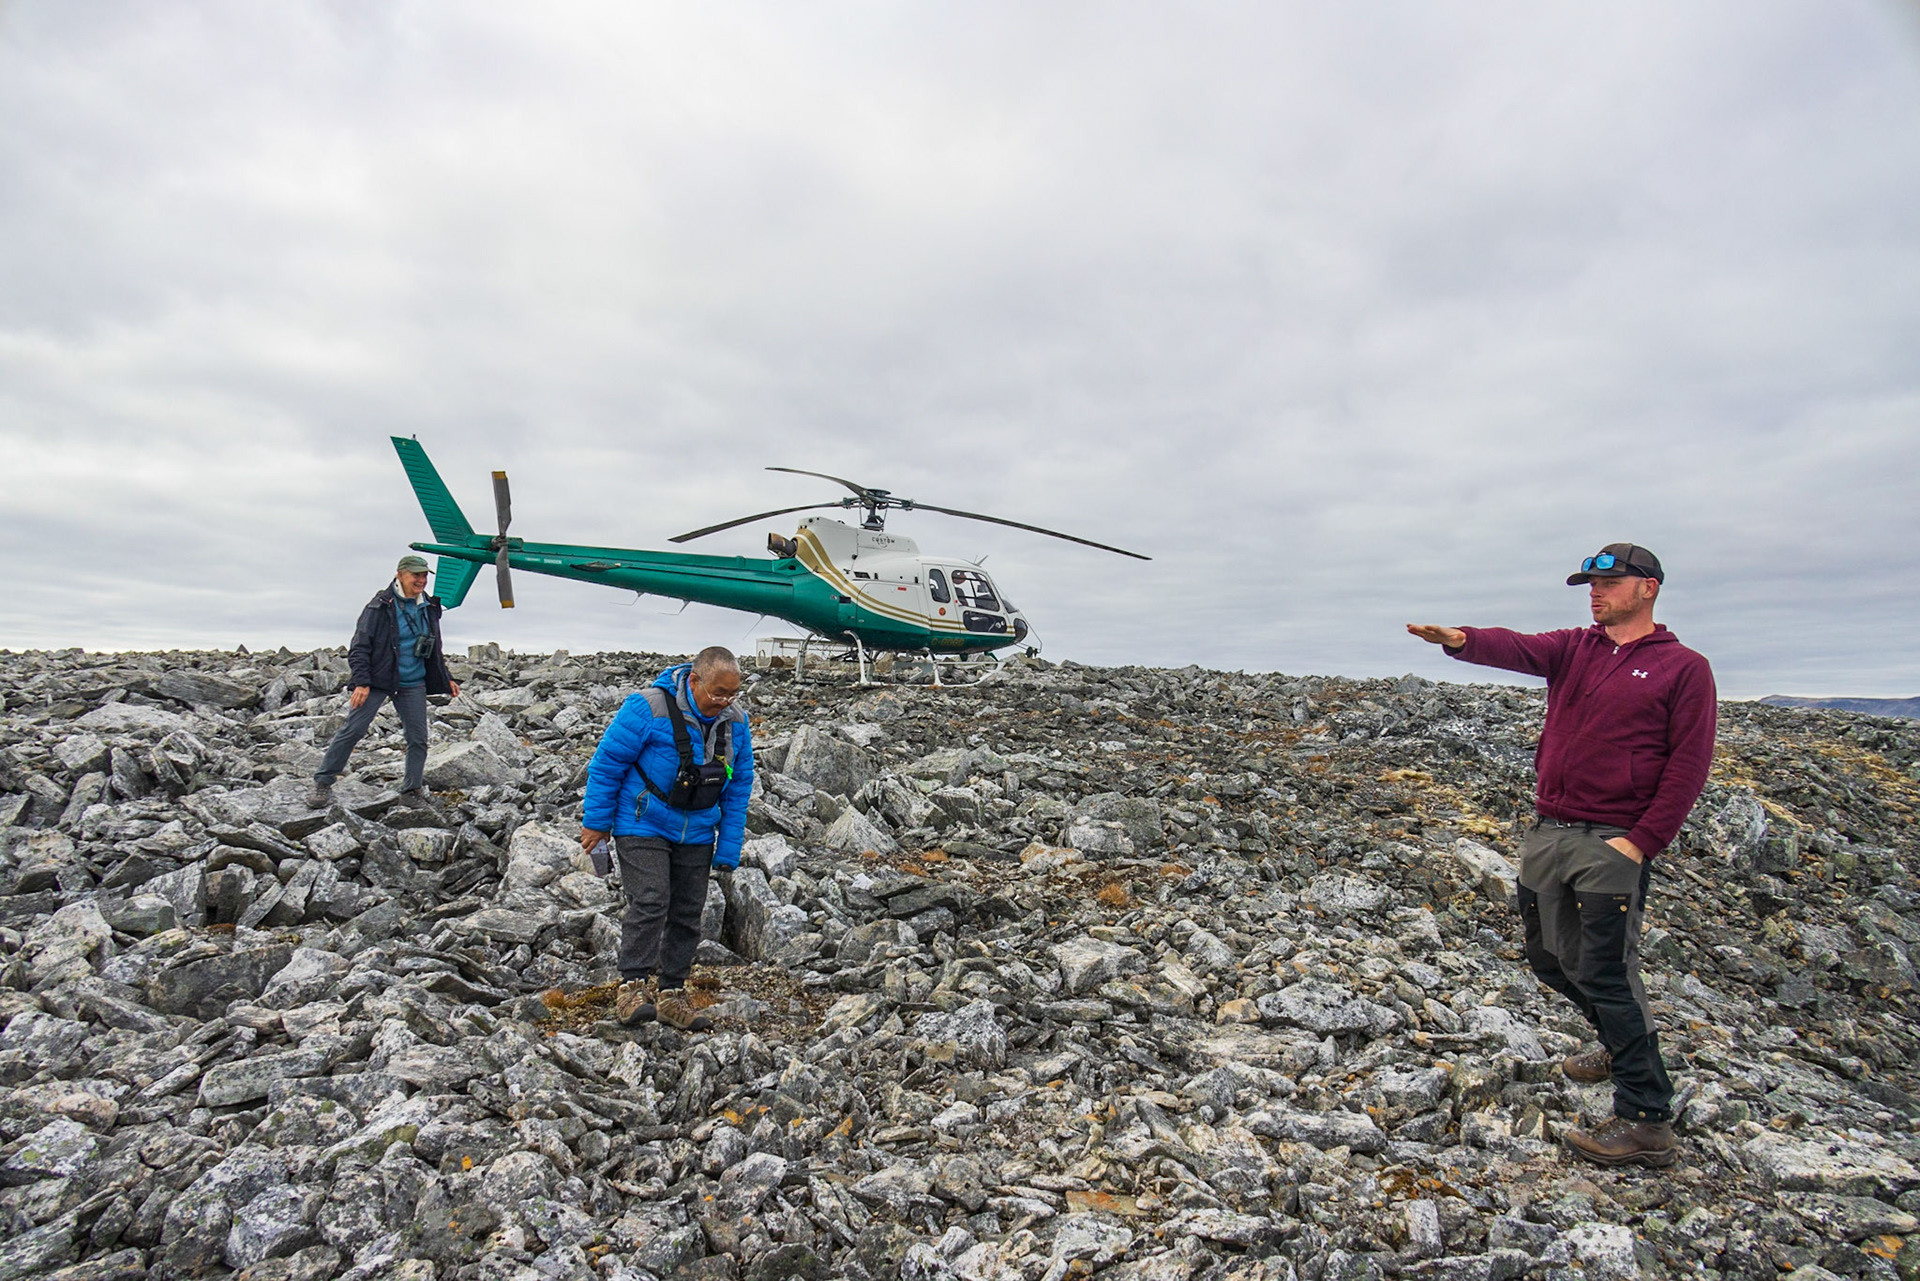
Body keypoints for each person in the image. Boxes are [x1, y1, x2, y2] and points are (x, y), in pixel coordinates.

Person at [1408, 542, 1715, 1168]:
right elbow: (1519, 648)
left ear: (1649, 588)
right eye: (1589, 584)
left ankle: (1646, 1118)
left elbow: (1688, 765)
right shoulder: (1575, 649)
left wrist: (1641, 842)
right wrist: (1462, 639)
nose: (1595, 593)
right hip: (1551, 831)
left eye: (1610, 582)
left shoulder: (1683, 668)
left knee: (1605, 970)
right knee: (1548, 956)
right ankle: (1614, 1040)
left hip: (1613, 840)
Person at [580, 646, 754, 1032]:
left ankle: (672, 993)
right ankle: (631, 988)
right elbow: (607, 763)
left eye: (732, 694)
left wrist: (728, 847)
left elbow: (739, 788)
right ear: (694, 680)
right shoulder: (647, 707)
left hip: (696, 829)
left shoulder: (736, 722)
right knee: (652, 899)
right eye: (718, 693)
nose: (724, 702)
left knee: (690, 911)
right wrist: (596, 822)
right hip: (641, 820)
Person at [307, 554, 460, 809]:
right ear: (400, 574)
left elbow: (434, 648)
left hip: (413, 682)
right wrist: (362, 682)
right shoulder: (379, 606)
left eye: (424, 575)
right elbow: (359, 647)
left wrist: (446, 678)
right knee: (353, 730)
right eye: (416, 575)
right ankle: (322, 783)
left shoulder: (429, 606)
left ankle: (411, 790)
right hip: (378, 680)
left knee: (418, 738)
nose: (421, 580)